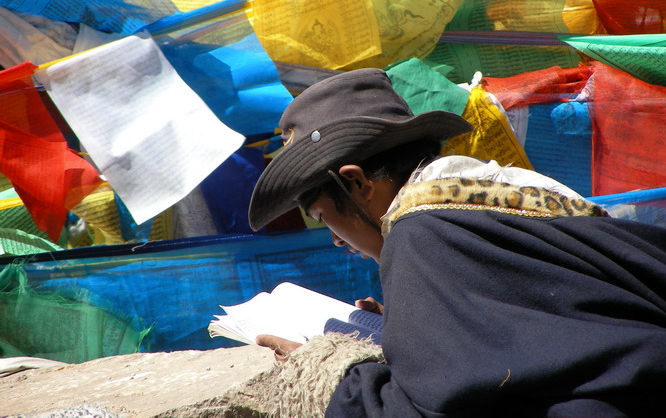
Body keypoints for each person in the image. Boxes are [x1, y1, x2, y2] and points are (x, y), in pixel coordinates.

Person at [248, 68, 666, 417]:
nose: (339, 242)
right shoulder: (484, 191)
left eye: (325, 219)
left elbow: (425, 406)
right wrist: (424, 321)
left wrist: (323, 370)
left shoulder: (418, 234)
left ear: (356, 182)